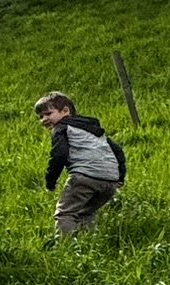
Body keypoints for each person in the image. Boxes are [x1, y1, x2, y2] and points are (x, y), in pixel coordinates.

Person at [36, 92, 125, 237]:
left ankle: (64, 245)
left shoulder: (61, 127)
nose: (43, 120)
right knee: (86, 211)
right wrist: (120, 176)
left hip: (85, 176)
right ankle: (87, 241)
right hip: (110, 181)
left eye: (48, 114)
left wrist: (51, 180)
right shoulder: (92, 129)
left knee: (65, 212)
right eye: (40, 117)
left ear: (65, 111)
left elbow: (59, 154)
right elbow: (117, 150)